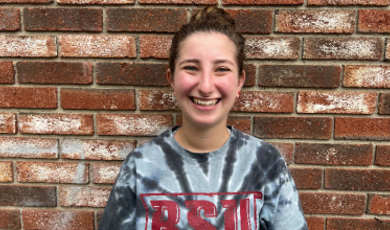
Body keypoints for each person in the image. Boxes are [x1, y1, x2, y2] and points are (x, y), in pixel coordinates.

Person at [98, 6, 308, 230]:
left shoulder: (265, 163)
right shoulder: (140, 165)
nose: (206, 86)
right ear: (171, 78)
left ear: (239, 81)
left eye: (221, 69)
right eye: (191, 67)